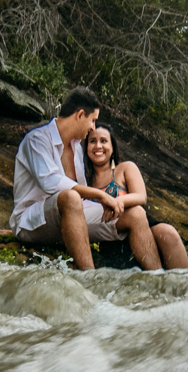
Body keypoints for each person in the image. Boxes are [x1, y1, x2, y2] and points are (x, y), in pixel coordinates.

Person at [9, 87, 122, 271]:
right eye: (92, 120)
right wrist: (100, 195)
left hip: (71, 218)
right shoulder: (36, 140)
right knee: (70, 197)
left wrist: (110, 202)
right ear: (79, 115)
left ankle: (162, 285)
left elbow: (81, 198)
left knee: (133, 215)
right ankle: (90, 277)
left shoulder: (76, 147)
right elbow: (52, 183)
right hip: (33, 221)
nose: (93, 127)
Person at [82, 123, 188, 270]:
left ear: (113, 147)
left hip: (140, 222)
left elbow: (141, 196)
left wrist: (117, 201)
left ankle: (185, 287)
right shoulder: (83, 177)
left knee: (168, 233)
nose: (98, 146)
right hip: (111, 233)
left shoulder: (125, 168)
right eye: (92, 141)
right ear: (86, 147)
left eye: (104, 141)